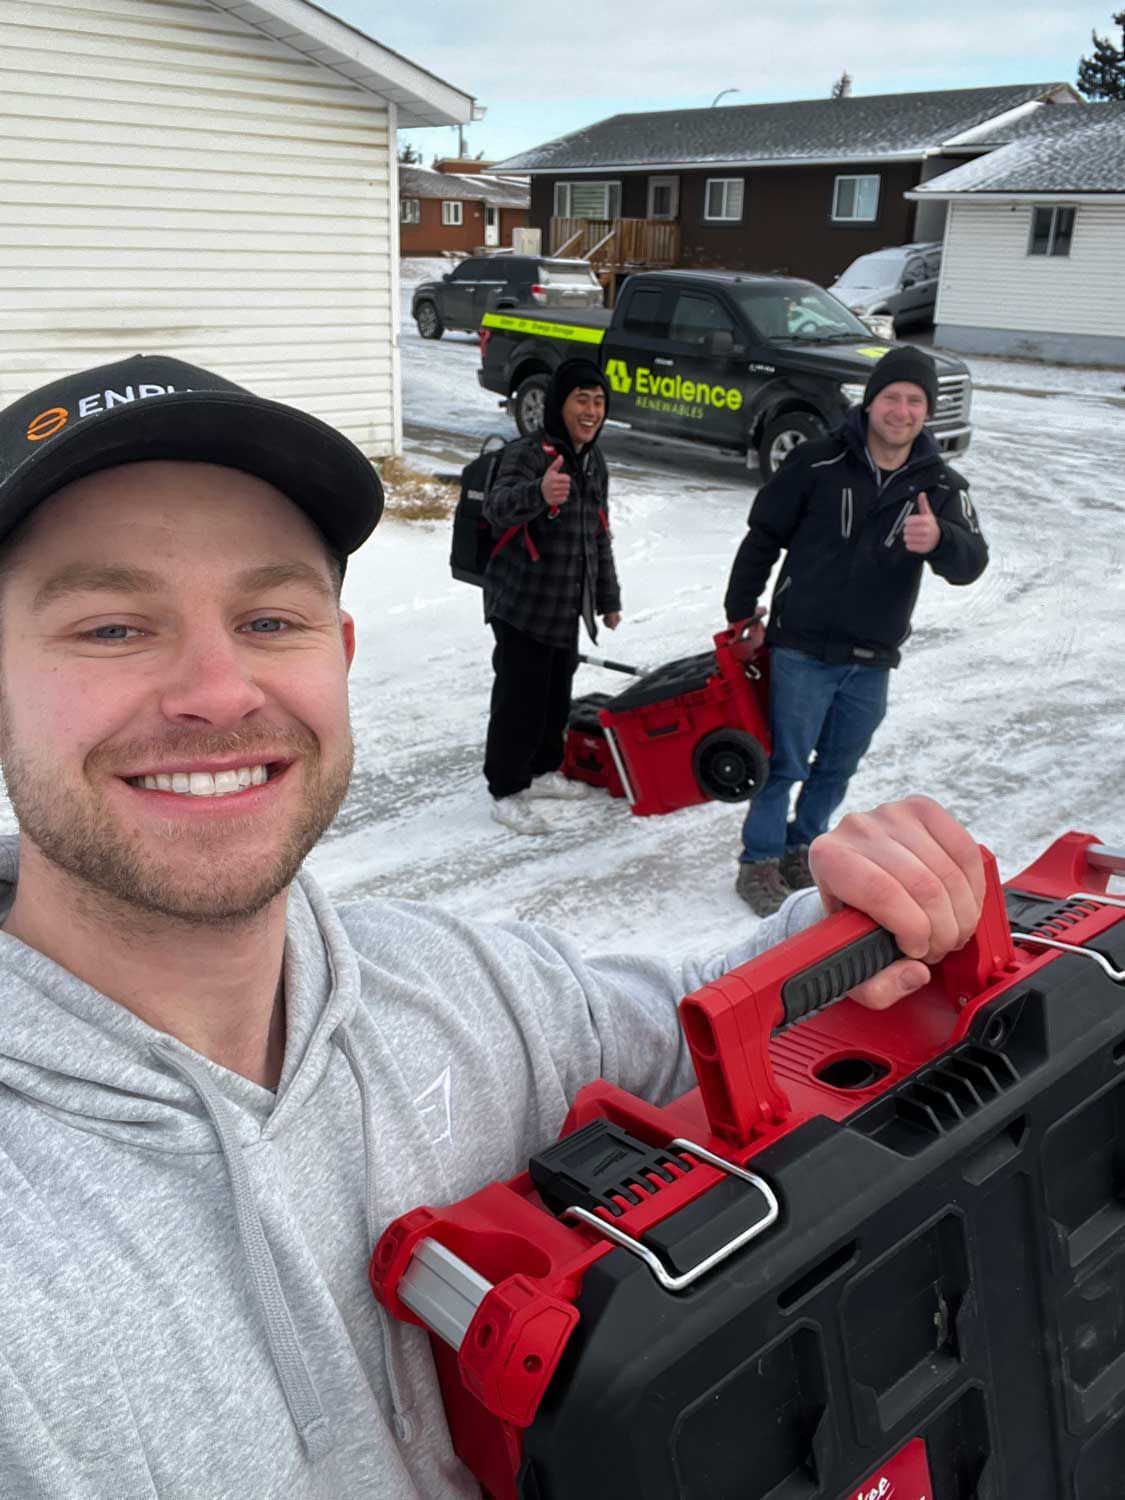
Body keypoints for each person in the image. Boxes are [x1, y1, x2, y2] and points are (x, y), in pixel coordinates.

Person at [0, 353, 985, 1500]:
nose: (219, 691)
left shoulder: (459, 990)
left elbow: (701, 1026)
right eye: (113, 628)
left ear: (340, 657)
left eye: (271, 617)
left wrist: (848, 922)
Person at [724, 346, 989, 917]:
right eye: (891, 397)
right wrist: (741, 612)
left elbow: (973, 563)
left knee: (837, 767)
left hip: (872, 658)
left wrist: (941, 540)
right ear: (870, 404)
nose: (901, 410)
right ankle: (759, 860)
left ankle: (802, 849)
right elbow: (762, 536)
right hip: (801, 648)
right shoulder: (817, 463)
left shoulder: (940, 485)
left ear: (927, 412)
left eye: (914, 400)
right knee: (784, 763)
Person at [481, 358, 622, 835]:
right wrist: (539, 492)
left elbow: (598, 535)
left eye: (599, 401)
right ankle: (505, 787)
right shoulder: (527, 453)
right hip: (521, 603)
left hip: (565, 606)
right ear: (560, 404)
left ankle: (541, 769)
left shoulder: (593, 460)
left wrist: (608, 598)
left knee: (555, 696)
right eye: (581, 399)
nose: (591, 410)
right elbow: (498, 509)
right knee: (519, 699)